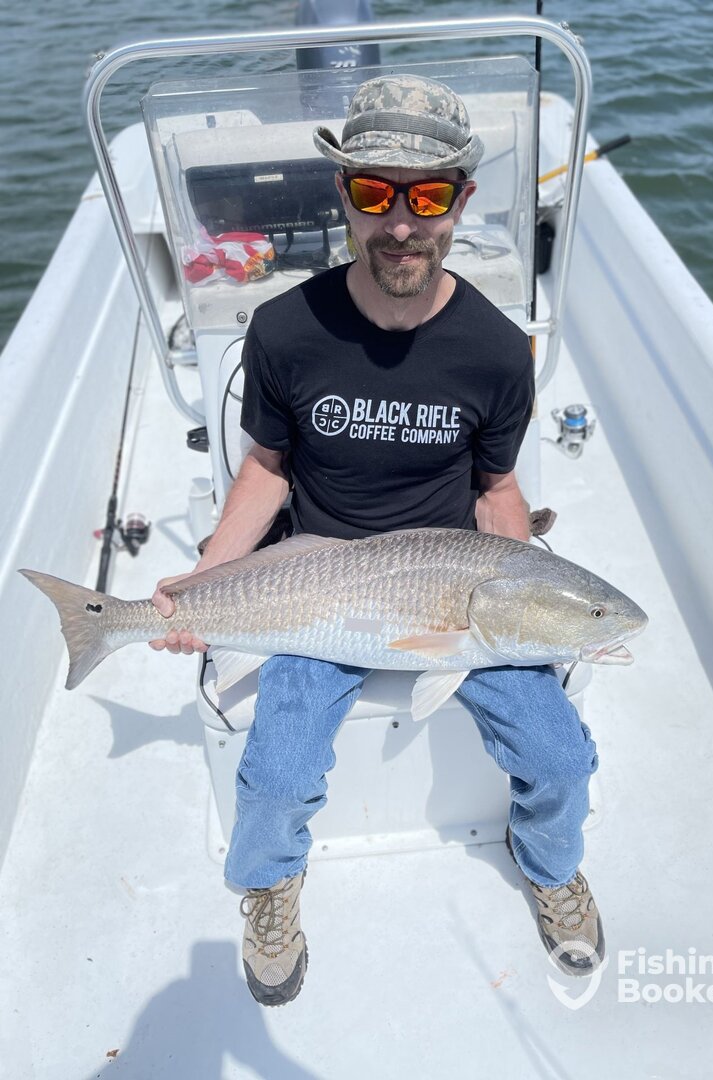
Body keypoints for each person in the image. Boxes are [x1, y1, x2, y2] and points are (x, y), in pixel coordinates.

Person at [149, 74, 602, 1007]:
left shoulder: (495, 349)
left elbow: (499, 490)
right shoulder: (285, 329)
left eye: (427, 197)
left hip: (456, 584)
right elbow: (265, 471)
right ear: (345, 197)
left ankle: (551, 865)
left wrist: (541, 605)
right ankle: (268, 887)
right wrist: (200, 584)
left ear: (460, 203)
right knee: (274, 774)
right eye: (374, 193)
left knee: (562, 755)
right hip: (321, 583)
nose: (401, 224)